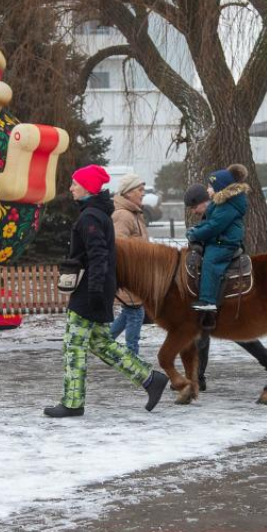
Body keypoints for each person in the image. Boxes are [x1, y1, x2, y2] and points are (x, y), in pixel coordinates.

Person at [44, 164, 168, 418]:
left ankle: (73, 402)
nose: (71, 188)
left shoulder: (90, 217)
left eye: (75, 184)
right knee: (100, 343)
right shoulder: (97, 213)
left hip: (89, 292)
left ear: (88, 187)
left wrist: (95, 292)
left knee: (73, 345)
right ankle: (149, 379)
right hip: (96, 289)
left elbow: (99, 256)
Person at [183, 183, 267, 391]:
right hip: (219, 257)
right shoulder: (214, 211)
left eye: (195, 207)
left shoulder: (219, 210)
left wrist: (197, 238)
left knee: (219, 326)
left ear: (204, 201)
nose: (194, 212)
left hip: (223, 261)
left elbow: (213, 232)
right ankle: (199, 376)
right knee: (215, 327)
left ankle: (198, 376)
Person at [186, 163, 250, 312]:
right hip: (221, 240)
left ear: (220, 188)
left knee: (210, 261)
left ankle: (208, 300)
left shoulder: (228, 206)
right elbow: (209, 223)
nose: (207, 189)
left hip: (225, 243)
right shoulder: (221, 204)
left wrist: (195, 234)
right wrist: (195, 229)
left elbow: (214, 226)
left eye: (210, 186)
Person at [110, 173, 149, 356]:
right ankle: (132, 356)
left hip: (138, 273)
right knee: (136, 312)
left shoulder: (133, 214)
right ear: (128, 193)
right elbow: (119, 247)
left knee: (129, 312)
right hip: (129, 274)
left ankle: (104, 342)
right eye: (140, 190)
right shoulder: (123, 215)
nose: (143, 193)